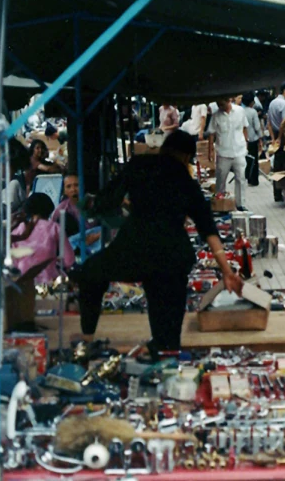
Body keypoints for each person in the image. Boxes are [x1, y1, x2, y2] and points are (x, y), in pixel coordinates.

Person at [75, 131, 243, 357]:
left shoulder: (139, 164)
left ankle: (87, 339)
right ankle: (166, 354)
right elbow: (208, 230)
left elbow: (107, 200)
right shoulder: (186, 181)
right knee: (167, 325)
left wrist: (105, 205)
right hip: (172, 255)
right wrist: (227, 271)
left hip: (135, 247)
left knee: (90, 273)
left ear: (164, 147)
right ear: (186, 156)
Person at [13, 193, 75, 285]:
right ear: (49, 210)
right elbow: (69, 260)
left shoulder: (18, 229)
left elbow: (13, 261)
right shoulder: (55, 228)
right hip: (48, 282)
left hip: (23, 283)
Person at [208, 98, 249, 212]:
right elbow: (211, 133)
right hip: (223, 152)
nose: (219, 106)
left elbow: (245, 127)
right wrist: (210, 151)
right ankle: (220, 202)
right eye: (218, 104)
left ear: (229, 101)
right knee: (221, 178)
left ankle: (240, 204)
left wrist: (246, 144)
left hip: (239, 150)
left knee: (241, 178)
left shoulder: (240, 111)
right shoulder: (216, 115)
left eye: (221, 103)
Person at [242, 93, 262, 187]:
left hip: (243, 140)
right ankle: (254, 180)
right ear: (251, 102)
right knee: (254, 160)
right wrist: (261, 138)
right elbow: (257, 126)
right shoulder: (253, 112)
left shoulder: (240, 111)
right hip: (252, 139)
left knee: (245, 160)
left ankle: (246, 177)